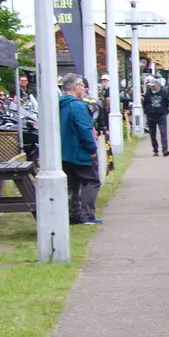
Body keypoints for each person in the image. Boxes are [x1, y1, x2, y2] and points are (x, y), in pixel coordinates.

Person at [58, 73, 102, 225]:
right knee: (92, 181)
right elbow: (84, 128)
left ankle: (74, 214)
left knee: (73, 184)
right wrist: (92, 148)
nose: (84, 89)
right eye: (83, 86)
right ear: (75, 87)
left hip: (64, 152)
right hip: (78, 150)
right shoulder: (77, 105)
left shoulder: (59, 103)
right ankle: (87, 215)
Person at [142, 77, 169, 156]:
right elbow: (145, 103)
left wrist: (165, 112)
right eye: (151, 86)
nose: (152, 87)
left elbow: (167, 103)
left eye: (153, 85)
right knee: (152, 134)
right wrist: (147, 112)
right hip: (151, 116)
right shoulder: (148, 93)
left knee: (163, 133)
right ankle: (155, 150)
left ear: (158, 85)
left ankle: (165, 150)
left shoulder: (163, 92)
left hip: (161, 115)